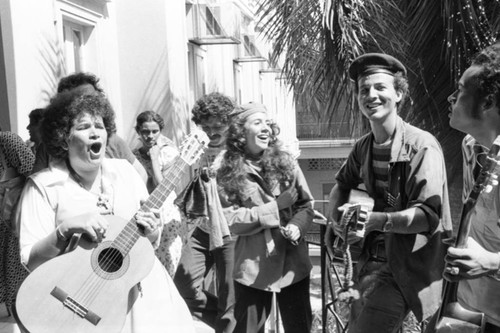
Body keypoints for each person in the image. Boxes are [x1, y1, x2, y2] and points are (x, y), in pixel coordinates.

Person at [15, 92, 195, 332]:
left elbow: (149, 241)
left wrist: (152, 231)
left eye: (99, 126)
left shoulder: (126, 172)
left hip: (146, 302)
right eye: (83, 126)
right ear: (64, 139)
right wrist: (64, 230)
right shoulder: (44, 186)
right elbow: (30, 260)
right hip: (78, 302)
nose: (95, 132)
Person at [324, 53, 452, 332]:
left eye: (380, 87)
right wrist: (335, 220)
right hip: (368, 264)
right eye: (363, 90)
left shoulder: (422, 146)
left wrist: (377, 221)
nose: (371, 95)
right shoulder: (363, 147)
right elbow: (341, 184)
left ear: (399, 94)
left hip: (405, 269)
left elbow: (428, 216)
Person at [217, 102, 314, 333]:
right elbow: (229, 220)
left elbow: (306, 205)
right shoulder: (228, 172)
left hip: (293, 267)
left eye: (267, 123)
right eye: (257, 122)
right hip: (253, 268)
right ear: (241, 132)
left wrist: (298, 226)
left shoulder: (287, 163)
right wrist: (275, 207)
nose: (266, 128)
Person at [443, 42, 500, 332]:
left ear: (488, 102)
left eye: (461, 90)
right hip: (472, 314)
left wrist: (492, 262)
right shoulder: (472, 148)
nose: (451, 97)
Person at [174, 92, 236, 332]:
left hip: (231, 230)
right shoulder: (197, 149)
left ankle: (230, 323)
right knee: (182, 287)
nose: (212, 132)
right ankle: (232, 323)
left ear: (230, 124)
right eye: (206, 126)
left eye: (218, 126)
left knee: (230, 297)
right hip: (203, 229)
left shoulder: (239, 152)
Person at [31, 72, 148, 182]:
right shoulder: (47, 149)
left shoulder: (114, 141)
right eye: (83, 99)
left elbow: (141, 175)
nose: (91, 104)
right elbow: (36, 185)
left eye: (94, 98)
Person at [133, 110, 185, 277]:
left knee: (168, 269)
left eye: (155, 131)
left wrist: (155, 158)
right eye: (145, 132)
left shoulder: (169, 153)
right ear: (138, 132)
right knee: (149, 268)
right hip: (147, 216)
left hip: (167, 214)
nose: (150, 136)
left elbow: (162, 186)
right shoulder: (134, 156)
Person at [0, 130, 34, 333]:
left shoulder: (7, 142)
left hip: (15, 230)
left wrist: (19, 213)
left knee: (21, 291)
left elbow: (35, 176)